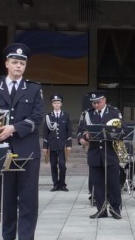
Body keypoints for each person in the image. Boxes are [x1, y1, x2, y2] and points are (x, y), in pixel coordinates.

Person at [0, 43, 43, 240]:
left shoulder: (33, 88)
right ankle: (7, 238)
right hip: (1, 148)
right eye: (14, 62)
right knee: (5, 195)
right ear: (6, 63)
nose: (18, 66)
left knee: (27, 196)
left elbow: (36, 118)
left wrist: (13, 128)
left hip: (26, 149)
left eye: (22, 63)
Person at [77, 91, 124, 220]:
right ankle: (101, 210)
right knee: (97, 184)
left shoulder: (114, 112)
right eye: (93, 103)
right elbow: (80, 131)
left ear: (104, 100)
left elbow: (122, 130)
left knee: (113, 183)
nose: (96, 105)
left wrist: (114, 134)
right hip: (94, 153)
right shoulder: (87, 114)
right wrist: (83, 137)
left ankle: (116, 209)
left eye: (98, 102)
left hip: (110, 153)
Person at [42, 95, 72, 192]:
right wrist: (45, 146)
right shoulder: (48, 116)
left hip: (62, 145)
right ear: (52, 104)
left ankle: (62, 184)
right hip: (52, 145)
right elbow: (45, 132)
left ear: (61, 104)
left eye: (58, 103)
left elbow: (69, 131)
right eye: (55, 103)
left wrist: (69, 145)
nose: (56, 105)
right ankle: (55, 184)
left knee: (62, 165)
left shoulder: (66, 115)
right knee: (53, 165)